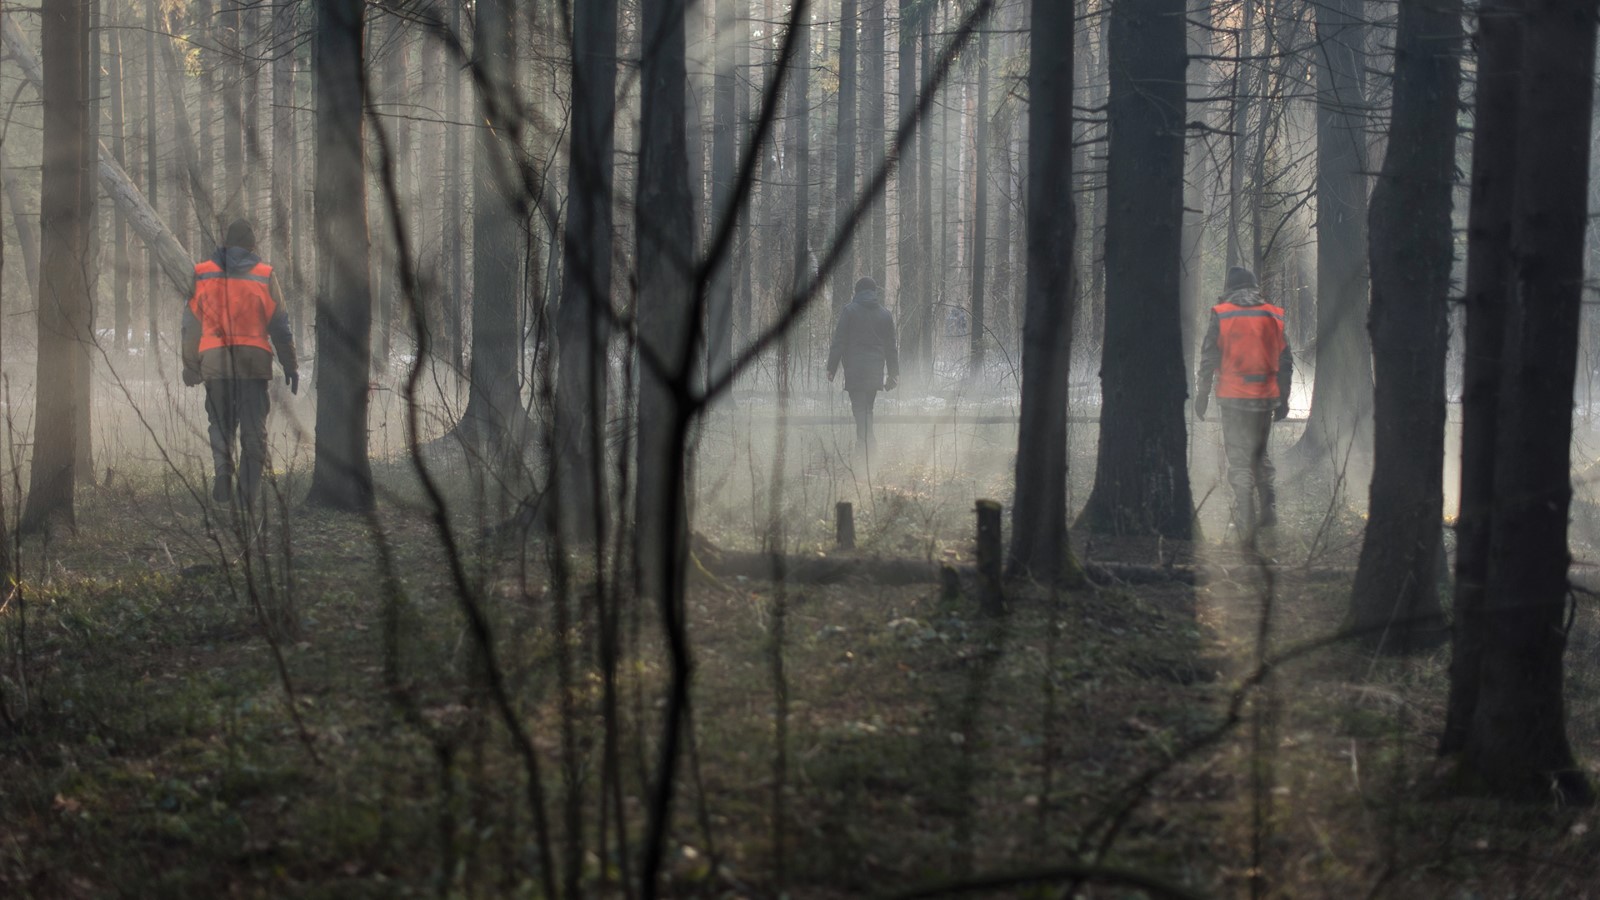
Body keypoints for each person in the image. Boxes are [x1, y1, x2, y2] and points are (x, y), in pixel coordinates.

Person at [182, 219, 299, 508]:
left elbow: (190, 326)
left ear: (226, 243)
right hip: (253, 364)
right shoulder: (265, 275)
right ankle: (248, 492)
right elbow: (280, 326)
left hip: (215, 362)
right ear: (252, 246)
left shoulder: (202, 273)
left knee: (220, 423)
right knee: (253, 429)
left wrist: (190, 365)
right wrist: (290, 364)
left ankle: (223, 471)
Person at [1194, 265, 1292, 542]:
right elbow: (1286, 360)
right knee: (1259, 453)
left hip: (1233, 397)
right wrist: (1283, 398)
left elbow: (1208, 359)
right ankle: (1269, 506)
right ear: (1253, 288)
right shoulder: (1272, 315)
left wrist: (1202, 395)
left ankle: (1245, 515)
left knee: (1238, 458)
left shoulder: (1222, 314)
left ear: (1230, 289)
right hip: (1265, 397)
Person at [827, 276, 899, 454]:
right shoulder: (885, 314)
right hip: (875, 370)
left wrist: (831, 367)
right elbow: (891, 347)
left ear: (857, 291)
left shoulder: (849, 311)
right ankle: (867, 446)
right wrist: (893, 373)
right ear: (874, 291)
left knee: (859, 408)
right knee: (867, 408)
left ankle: (866, 446)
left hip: (855, 369)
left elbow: (839, 341)